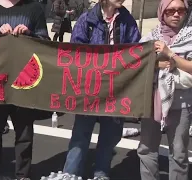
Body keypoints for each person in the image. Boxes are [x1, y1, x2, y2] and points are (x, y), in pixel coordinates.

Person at [62, 0, 141, 179]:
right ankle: (70, 174)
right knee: (80, 137)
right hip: (89, 92)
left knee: (110, 137)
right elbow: (75, 52)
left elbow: (136, 51)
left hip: (116, 91)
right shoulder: (86, 20)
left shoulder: (128, 21)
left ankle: (101, 173)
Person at [0, 0, 49, 179]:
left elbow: (45, 43)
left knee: (24, 134)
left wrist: (30, 35)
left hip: (25, 82)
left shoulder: (34, 7)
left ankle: (23, 175)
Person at [137, 0, 192, 180]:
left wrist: (171, 55)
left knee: (179, 153)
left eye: (181, 10)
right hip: (151, 101)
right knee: (146, 149)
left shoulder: (191, 36)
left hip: (181, 103)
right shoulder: (149, 39)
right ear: (162, 12)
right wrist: (156, 63)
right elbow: (136, 64)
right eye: (171, 11)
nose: (176, 14)